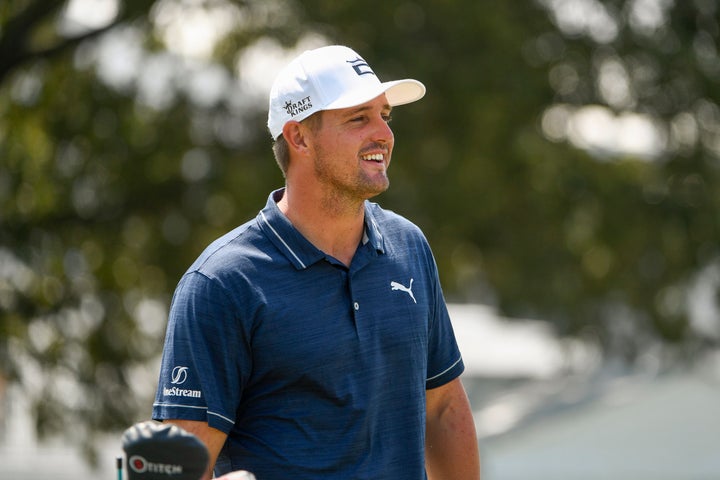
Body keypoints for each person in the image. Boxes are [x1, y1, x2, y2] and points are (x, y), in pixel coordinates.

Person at [152, 44, 480, 480]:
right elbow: (177, 465)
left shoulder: (409, 247)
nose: (383, 133)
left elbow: (443, 408)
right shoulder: (221, 284)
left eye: (384, 114)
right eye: (358, 118)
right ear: (299, 137)